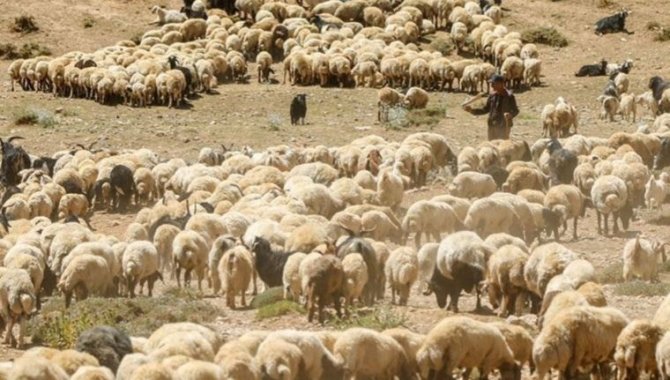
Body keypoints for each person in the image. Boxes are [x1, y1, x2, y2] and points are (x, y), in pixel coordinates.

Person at [462, 74, 519, 140]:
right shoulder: (492, 95)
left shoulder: (509, 96)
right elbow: (485, 109)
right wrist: (472, 110)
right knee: (491, 146)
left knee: (502, 147)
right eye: (491, 83)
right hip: (492, 125)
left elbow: (516, 110)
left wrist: (510, 115)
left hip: (503, 126)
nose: (491, 86)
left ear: (501, 84)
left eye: (494, 83)